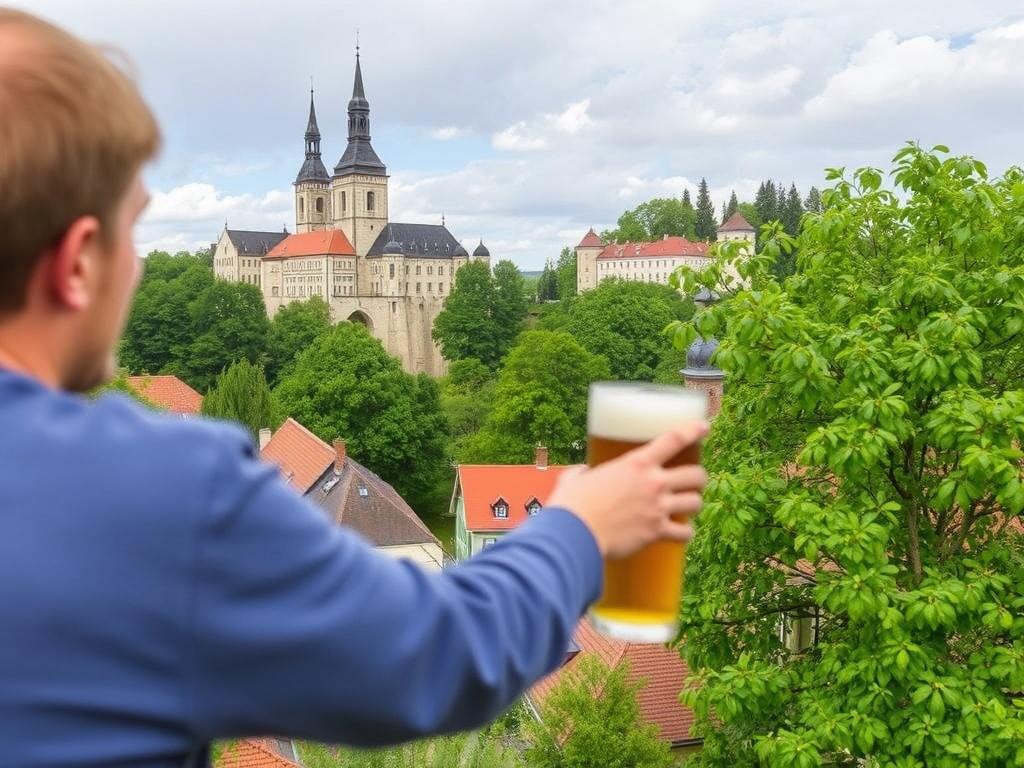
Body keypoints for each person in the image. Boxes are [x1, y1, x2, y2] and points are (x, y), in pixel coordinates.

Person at [0, 9, 709, 767]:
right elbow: (435, 657)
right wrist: (581, 528)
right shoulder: (152, 490)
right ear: (77, 261)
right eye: (130, 233)